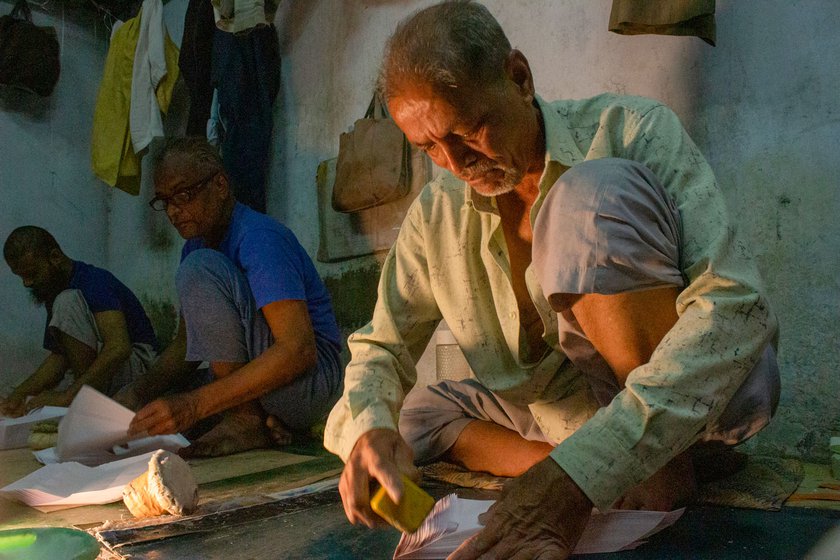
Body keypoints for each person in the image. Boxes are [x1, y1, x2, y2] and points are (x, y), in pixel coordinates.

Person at [324, 2, 780, 558]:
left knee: (584, 202)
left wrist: (576, 480)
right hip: (556, 413)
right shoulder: (437, 209)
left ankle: (648, 465)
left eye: (468, 131)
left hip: (674, 398)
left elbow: (735, 306)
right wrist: (371, 430)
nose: (455, 162)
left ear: (519, 77)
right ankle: (584, 470)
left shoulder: (630, 130)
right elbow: (381, 345)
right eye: (427, 148)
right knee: (394, 416)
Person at [120, 137, 344, 457]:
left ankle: (246, 419)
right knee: (157, 414)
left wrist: (196, 405)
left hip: (309, 385)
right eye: (164, 200)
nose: (172, 211)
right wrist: (137, 391)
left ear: (220, 185)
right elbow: (187, 347)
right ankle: (261, 422)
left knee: (200, 270)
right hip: (273, 385)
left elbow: (298, 351)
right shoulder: (194, 246)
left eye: (183, 195)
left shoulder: (258, 237)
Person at [1, 226, 159, 416]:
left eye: (32, 274)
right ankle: (83, 399)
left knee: (66, 300)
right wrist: (18, 394)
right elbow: (59, 358)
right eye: (22, 277)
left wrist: (68, 397)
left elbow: (119, 348)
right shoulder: (55, 289)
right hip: (107, 377)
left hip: (142, 369)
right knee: (34, 400)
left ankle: (84, 400)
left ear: (55, 257)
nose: (27, 283)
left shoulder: (92, 281)